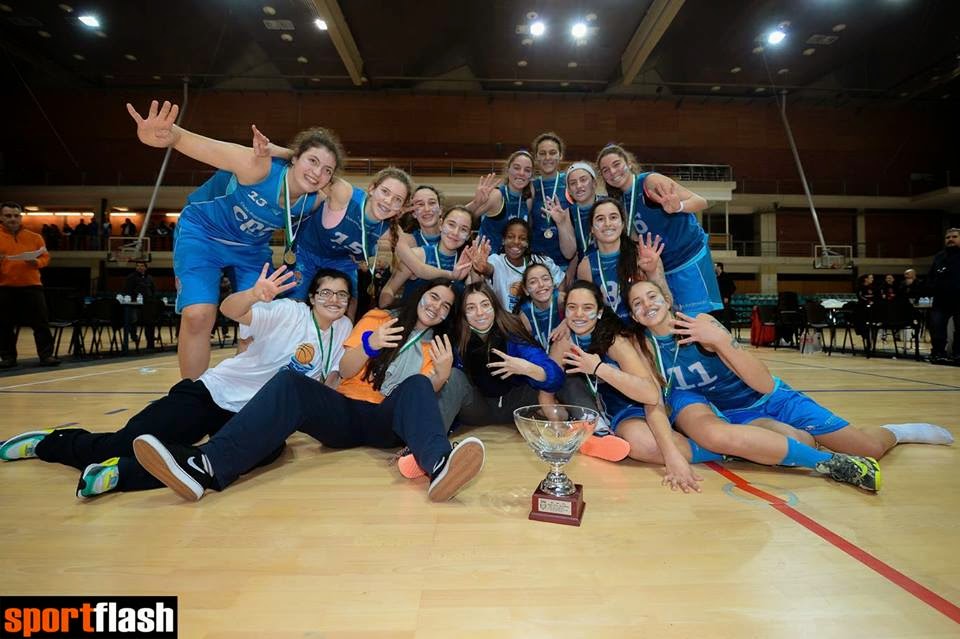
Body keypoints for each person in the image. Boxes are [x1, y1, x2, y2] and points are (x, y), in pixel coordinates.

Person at [0, 267, 354, 498]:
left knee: (253, 456)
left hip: (251, 416)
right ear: (312, 297)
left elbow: (332, 377)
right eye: (326, 293)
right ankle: (49, 442)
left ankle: (120, 475)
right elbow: (231, 310)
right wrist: (252, 294)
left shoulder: (343, 329)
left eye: (341, 295)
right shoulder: (289, 312)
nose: (334, 300)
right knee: (124, 443)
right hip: (213, 394)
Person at [132, 280, 485, 503]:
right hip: (346, 411)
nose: (436, 306)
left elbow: (418, 401)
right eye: (434, 297)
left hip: (386, 420)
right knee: (290, 383)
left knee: (419, 383)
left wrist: (439, 377)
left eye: (445, 306)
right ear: (420, 295)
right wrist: (371, 344)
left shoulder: (437, 345)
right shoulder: (378, 318)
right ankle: (206, 466)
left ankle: (439, 466)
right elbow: (346, 368)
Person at [626, 279, 953, 489]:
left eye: (652, 296)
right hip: (730, 413)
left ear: (667, 298)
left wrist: (722, 342)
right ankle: (818, 453)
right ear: (633, 315)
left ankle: (899, 431)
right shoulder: (642, 347)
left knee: (869, 449)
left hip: (767, 397)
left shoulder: (700, 323)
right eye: (637, 303)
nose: (647, 305)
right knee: (797, 444)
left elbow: (764, 383)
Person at [127, 99, 343, 379]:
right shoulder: (257, 166)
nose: (317, 173)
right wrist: (169, 135)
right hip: (203, 233)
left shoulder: (314, 200)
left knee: (256, 322)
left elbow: (346, 190)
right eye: (312, 161)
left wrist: (286, 151)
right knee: (198, 315)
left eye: (327, 170)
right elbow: (199, 145)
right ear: (295, 159)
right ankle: (191, 395)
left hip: (251, 249)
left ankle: (241, 392)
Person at [542, 281, 700, 490]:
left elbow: (651, 395)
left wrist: (599, 368)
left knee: (644, 443)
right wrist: (555, 423)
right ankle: (591, 434)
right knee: (567, 383)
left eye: (587, 308)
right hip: (604, 413)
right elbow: (547, 391)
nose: (579, 314)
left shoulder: (616, 341)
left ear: (599, 312)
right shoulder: (563, 342)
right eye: (572, 307)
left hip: (635, 407)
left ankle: (717, 449)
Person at [397, 282, 564, 478]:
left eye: (485, 305)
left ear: (494, 306)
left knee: (548, 381)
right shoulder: (456, 337)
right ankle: (428, 451)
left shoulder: (511, 330)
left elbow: (556, 377)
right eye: (471, 308)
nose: (480, 313)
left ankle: (579, 429)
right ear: (464, 314)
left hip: (516, 403)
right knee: (454, 376)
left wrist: (527, 368)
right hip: (479, 407)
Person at [597, 144, 719, 314]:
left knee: (699, 319)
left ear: (629, 163)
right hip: (664, 267)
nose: (612, 171)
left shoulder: (650, 182)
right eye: (606, 170)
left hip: (689, 257)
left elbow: (700, 201)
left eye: (616, 164)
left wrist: (678, 207)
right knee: (676, 320)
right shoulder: (620, 201)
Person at [575, 197, 669, 322]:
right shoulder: (586, 266)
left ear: (623, 224)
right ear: (592, 228)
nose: (608, 224)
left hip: (644, 327)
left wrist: (651, 273)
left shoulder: (643, 254)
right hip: (609, 330)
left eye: (613, 217)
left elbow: (667, 301)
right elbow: (588, 312)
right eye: (600, 219)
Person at [0, 202, 60, 368]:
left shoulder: (35, 237)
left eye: (16, 215)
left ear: (20, 217)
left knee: (41, 323)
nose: (13, 219)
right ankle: (8, 357)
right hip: (4, 287)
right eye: (8, 216)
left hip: (32, 286)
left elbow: (46, 257)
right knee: (4, 324)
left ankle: (46, 356)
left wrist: (37, 262)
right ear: (1, 217)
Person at [379, 206, 474, 307]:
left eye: (463, 229)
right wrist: (388, 312)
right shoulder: (417, 255)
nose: (455, 233)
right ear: (441, 224)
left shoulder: (467, 264)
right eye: (451, 225)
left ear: (468, 235)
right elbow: (389, 290)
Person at [474, 219, 564, 313]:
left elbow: (562, 284)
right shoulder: (496, 260)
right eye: (510, 237)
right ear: (503, 240)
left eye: (522, 238)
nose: (516, 242)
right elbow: (488, 268)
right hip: (507, 319)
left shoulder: (540, 261)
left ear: (528, 244)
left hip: (539, 317)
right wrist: (483, 267)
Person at [470, 151, 534, 255]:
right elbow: (465, 216)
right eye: (517, 168)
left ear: (531, 175)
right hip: (487, 259)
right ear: (508, 170)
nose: (521, 173)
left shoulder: (527, 200)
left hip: (511, 260)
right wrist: (475, 203)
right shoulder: (497, 195)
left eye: (527, 170)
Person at [927, 228, 960, 364]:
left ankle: (958, 354)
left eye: (954, 237)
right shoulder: (939, 256)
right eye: (948, 237)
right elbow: (931, 276)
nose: (950, 239)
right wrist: (933, 287)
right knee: (937, 328)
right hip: (941, 299)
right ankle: (938, 353)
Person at [515, 262, 565, 350]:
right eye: (533, 282)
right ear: (526, 290)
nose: (541, 284)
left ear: (553, 282)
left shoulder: (562, 300)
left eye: (545, 279)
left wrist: (566, 323)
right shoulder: (525, 316)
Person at [713, 262, 736, 329]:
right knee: (717, 316)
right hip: (717, 299)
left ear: (719, 267)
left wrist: (727, 296)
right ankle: (718, 331)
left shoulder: (726, 276)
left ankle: (728, 331)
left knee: (726, 317)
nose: (714, 268)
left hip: (724, 299)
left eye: (715, 266)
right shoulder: (715, 277)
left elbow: (733, 288)